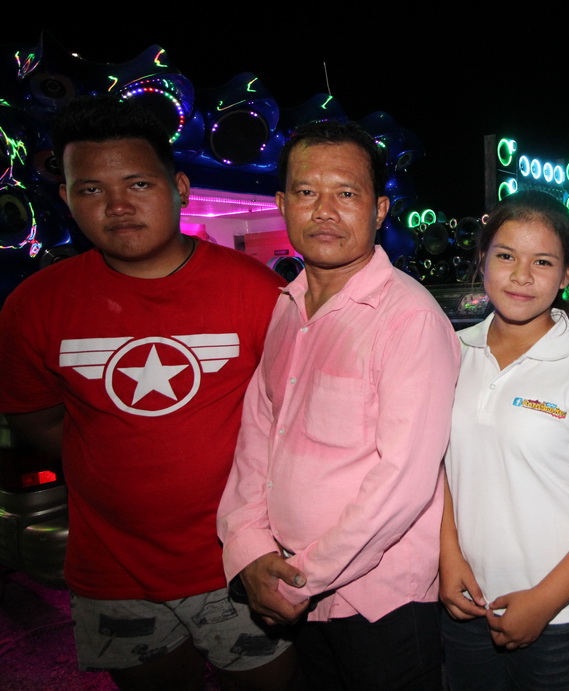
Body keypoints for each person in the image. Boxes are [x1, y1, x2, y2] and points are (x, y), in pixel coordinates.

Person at [0, 96, 295, 689]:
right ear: (66, 198)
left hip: (243, 558)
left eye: (138, 183)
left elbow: (290, 414)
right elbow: (36, 417)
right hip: (113, 570)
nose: (117, 206)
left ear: (179, 187)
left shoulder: (257, 290)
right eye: (91, 189)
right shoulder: (34, 305)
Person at [217, 119, 460, 689]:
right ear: (282, 205)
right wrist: (248, 549)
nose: (324, 211)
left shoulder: (408, 319)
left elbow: (404, 480)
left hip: (379, 605)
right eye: (307, 192)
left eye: (346, 194)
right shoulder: (288, 306)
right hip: (292, 585)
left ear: (379, 210)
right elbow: (259, 436)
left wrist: (300, 576)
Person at [438, 191, 569, 690]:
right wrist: (448, 558)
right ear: (482, 259)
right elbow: (439, 468)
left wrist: (544, 602)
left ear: (567, 274)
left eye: (543, 262)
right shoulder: (450, 353)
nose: (522, 275)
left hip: (564, 614)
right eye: (506, 256)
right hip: (467, 600)